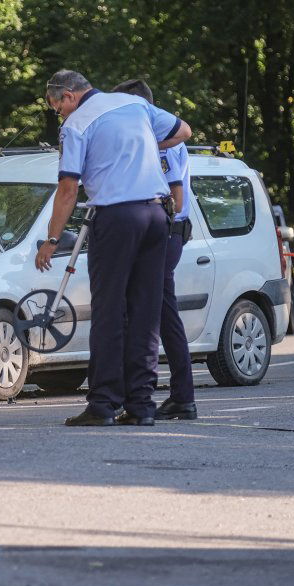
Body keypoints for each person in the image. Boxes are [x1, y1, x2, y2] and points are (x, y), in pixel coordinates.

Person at [35, 70, 190, 426]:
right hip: (156, 215)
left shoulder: (76, 126)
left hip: (117, 217)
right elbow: (184, 132)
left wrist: (52, 239)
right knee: (145, 313)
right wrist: (142, 147)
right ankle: (141, 406)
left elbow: (68, 190)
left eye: (56, 106)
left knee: (108, 311)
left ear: (69, 96)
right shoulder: (135, 104)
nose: (58, 114)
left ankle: (103, 404)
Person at [111, 79, 197, 420]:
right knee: (154, 311)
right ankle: (170, 394)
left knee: (159, 312)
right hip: (164, 231)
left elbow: (174, 195)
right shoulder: (152, 139)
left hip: (165, 230)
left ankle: (180, 396)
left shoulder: (162, 143)